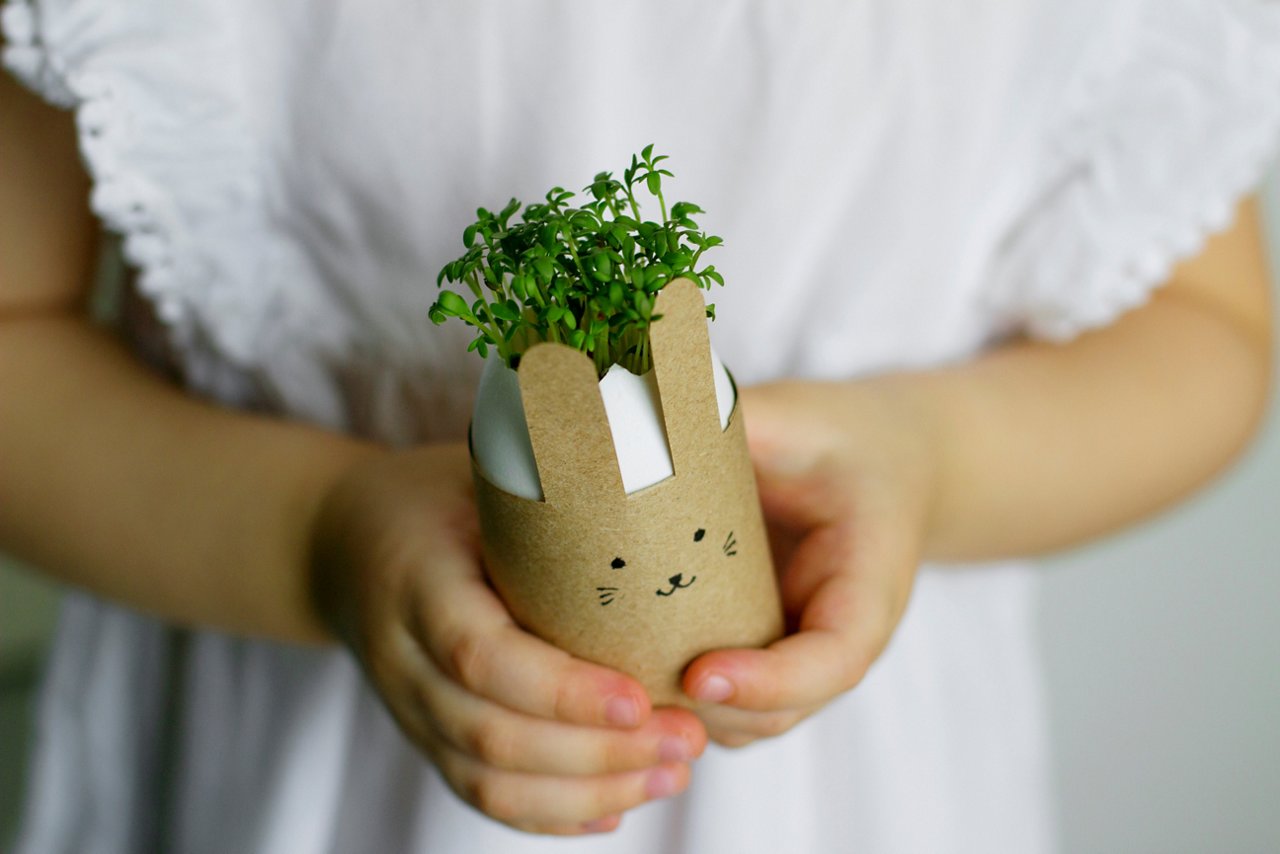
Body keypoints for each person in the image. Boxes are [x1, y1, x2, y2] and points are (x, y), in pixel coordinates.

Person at [2, 1, 1277, 851]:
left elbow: (1205, 327)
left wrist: (931, 459)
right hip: (288, 753)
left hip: (858, 786)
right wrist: (319, 536)